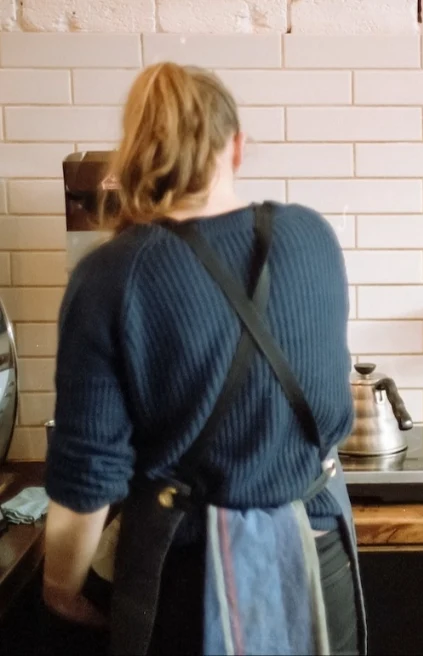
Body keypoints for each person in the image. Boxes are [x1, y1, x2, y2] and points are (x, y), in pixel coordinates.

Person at [41, 62, 364, 655]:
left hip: (189, 582)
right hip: (317, 554)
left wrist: (60, 588)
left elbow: (89, 478)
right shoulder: (311, 235)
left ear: (132, 157)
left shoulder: (110, 277)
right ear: (236, 149)